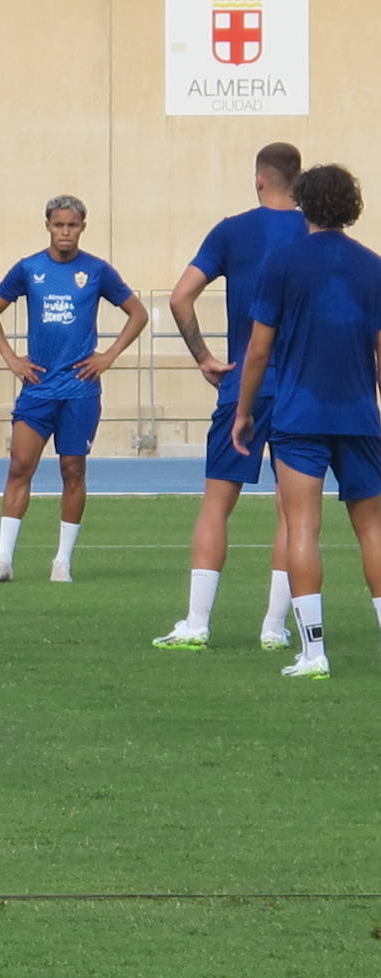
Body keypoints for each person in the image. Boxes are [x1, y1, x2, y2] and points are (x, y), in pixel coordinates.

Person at [153, 143, 307, 652]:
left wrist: (203, 356)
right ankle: (275, 627)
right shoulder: (315, 233)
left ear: (260, 179)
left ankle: (197, 623)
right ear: (297, 181)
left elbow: (179, 297)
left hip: (241, 381)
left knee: (217, 504)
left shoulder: (232, 230)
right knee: (293, 512)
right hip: (299, 388)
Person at [232, 163, 381, 680]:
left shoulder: (284, 262)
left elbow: (257, 351)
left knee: (302, 527)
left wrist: (244, 409)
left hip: (298, 414)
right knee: (373, 529)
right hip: (360, 415)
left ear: (303, 204)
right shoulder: (373, 266)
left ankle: (314, 652)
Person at [0, 195, 148, 584]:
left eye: (72, 225)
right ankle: (2, 560)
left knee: (72, 470)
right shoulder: (29, 268)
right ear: (48, 226)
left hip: (80, 390)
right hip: (37, 388)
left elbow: (139, 313)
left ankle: (62, 562)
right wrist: (12, 359)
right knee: (20, 466)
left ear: (82, 226)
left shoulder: (98, 271)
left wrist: (108, 356)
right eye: (58, 225)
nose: (65, 232)